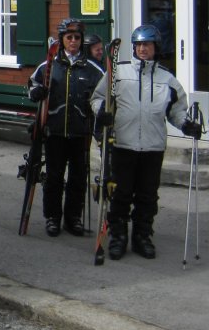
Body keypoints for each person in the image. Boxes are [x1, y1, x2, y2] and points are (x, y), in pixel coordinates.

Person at [91, 24, 199, 260]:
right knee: (120, 193)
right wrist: (102, 112)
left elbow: (177, 111)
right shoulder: (118, 73)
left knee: (147, 196)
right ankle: (118, 236)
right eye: (138, 45)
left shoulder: (167, 79)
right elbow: (98, 98)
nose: (142, 49)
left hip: (153, 147)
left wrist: (186, 124)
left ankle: (142, 236)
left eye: (147, 45)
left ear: (155, 48)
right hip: (122, 144)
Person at [28, 19, 105, 237]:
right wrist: (36, 93)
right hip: (55, 130)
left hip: (81, 132)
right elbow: (32, 84)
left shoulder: (92, 69)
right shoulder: (50, 65)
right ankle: (53, 217)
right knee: (54, 176)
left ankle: (74, 218)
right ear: (62, 39)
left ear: (82, 41)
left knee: (79, 177)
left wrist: (102, 115)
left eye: (77, 38)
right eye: (69, 37)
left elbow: (102, 97)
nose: (73, 41)